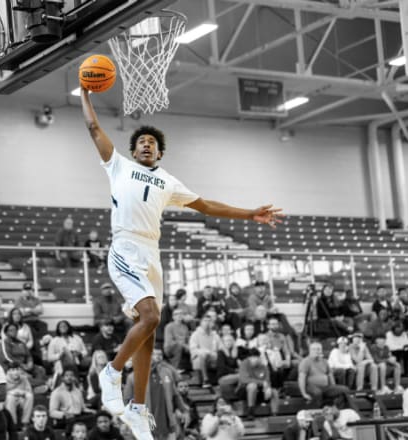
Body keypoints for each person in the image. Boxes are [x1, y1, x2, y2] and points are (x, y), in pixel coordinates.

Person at [81, 89, 283, 439]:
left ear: (159, 153)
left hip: (151, 254)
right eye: (141, 142)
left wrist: (250, 213)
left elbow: (206, 206)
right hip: (125, 248)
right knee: (151, 316)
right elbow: (94, 128)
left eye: (152, 143)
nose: (146, 145)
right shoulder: (119, 166)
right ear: (132, 151)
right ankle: (111, 373)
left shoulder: (168, 181)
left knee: (150, 333)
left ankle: (138, 409)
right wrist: (85, 93)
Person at [299, 342, 353, 408]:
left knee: (345, 389)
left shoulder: (325, 361)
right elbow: (301, 378)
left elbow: (330, 375)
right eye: (314, 349)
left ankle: (341, 411)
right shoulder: (305, 362)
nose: (316, 351)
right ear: (310, 351)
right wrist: (304, 393)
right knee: (317, 393)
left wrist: (334, 387)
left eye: (318, 349)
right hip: (311, 387)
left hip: (325, 387)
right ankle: (318, 411)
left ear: (321, 350)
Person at [237, 348, 278, 420]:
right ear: (249, 358)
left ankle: (274, 414)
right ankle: (250, 412)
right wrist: (262, 383)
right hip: (244, 390)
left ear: (259, 358)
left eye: (256, 358)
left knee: (274, 391)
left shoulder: (264, 367)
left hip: (260, 390)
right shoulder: (244, 364)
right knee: (252, 386)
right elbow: (244, 379)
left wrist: (268, 388)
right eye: (252, 358)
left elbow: (267, 380)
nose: (254, 360)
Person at [189, 316, 222, 387]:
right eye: (205, 321)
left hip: (213, 357)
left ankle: (220, 380)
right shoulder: (195, 334)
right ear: (201, 323)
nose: (207, 323)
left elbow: (220, 347)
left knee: (221, 356)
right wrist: (205, 351)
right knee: (204, 355)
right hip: (199, 357)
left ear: (212, 324)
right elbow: (193, 348)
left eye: (209, 321)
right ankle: (205, 380)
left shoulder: (215, 335)